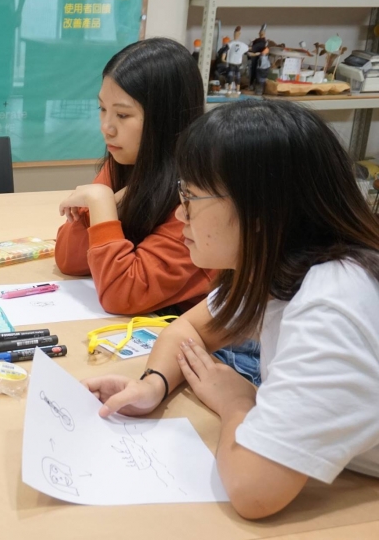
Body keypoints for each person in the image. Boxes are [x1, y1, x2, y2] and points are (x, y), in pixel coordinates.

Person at [83, 100, 379, 519]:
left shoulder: (331, 305)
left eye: (191, 196)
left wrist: (237, 401)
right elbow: (187, 331)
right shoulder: (278, 264)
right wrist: (153, 385)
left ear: (259, 211)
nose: (179, 212)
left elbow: (253, 491)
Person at [55, 37, 214, 318]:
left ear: (165, 120)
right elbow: (69, 259)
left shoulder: (200, 192)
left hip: (199, 335)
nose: (106, 127)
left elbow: (122, 295)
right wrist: (104, 207)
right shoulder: (125, 162)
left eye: (122, 115)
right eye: (102, 109)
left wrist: (101, 204)